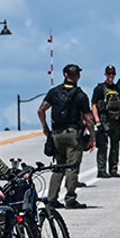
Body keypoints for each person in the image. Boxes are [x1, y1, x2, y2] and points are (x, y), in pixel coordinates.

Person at [39, 64, 94, 208]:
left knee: (59, 166)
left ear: (65, 74)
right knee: (72, 167)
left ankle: (51, 199)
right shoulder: (81, 95)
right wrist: (92, 136)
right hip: (72, 134)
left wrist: (45, 127)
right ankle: (70, 199)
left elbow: (41, 110)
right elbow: (88, 118)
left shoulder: (54, 92)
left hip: (56, 133)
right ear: (78, 76)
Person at [92, 65, 120, 177]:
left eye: (112, 74)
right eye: (109, 74)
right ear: (105, 74)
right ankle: (101, 170)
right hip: (103, 120)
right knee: (103, 146)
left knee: (115, 146)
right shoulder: (99, 89)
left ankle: (113, 169)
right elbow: (94, 105)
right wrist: (97, 121)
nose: (110, 76)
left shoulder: (118, 89)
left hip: (115, 120)